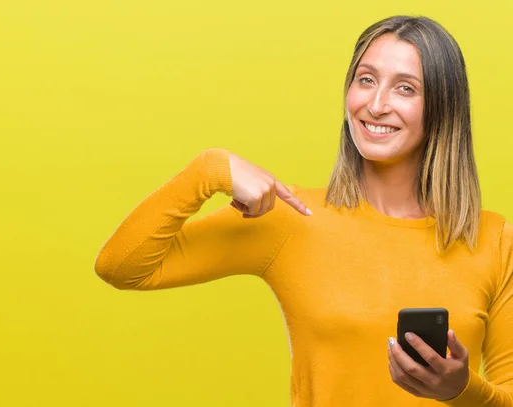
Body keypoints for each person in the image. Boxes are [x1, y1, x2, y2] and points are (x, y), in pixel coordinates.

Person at [94, 15, 513, 406]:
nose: (377, 104)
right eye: (366, 80)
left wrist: (463, 390)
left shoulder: (494, 240)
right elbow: (123, 266)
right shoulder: (291, 217)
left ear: (443, 108)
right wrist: (208, 169)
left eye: (406, 88)